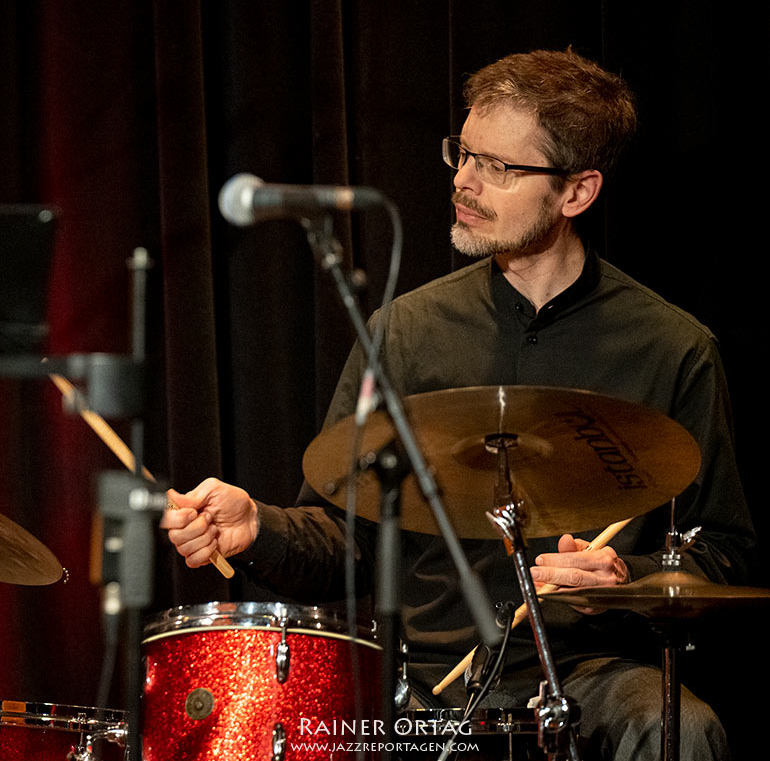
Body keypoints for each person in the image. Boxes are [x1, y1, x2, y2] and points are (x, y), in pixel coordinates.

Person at [161, 49, 755, 760]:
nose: (464, 183)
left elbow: (723, 552)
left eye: (500, 168)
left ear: (577, 192)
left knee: (682, 728)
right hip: (427, 683)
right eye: (464, 154)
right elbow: (348, 541)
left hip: (590, 675)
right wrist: (257, 526)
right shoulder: (405, 332)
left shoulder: (672, 348)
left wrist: (630, 578)